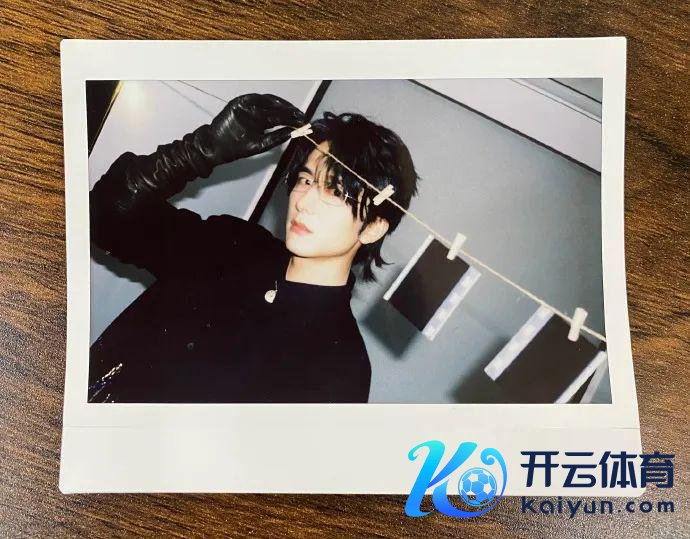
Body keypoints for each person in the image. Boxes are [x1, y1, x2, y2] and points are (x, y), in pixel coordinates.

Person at [88, 93, 419, 403]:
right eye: (306, 180)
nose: (304, 202)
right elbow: (106, 217)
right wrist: (200, 150)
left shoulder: (340, 367)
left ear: (373, 227)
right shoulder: (234, 245)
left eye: (335, 191)